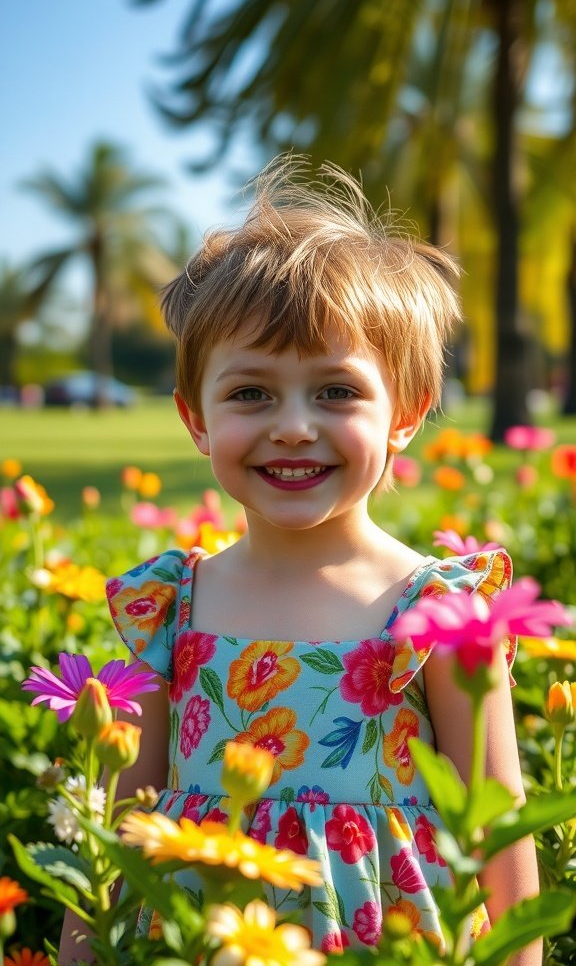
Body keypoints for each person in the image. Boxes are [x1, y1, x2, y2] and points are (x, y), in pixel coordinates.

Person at [59, 157, 540, 962]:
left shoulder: (441, 612)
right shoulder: (168, 608)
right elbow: (119, 827)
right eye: (250, 393)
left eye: (336, 392)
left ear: (407, 414)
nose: (291, 426)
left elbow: (498, 836)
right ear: (196, 419)